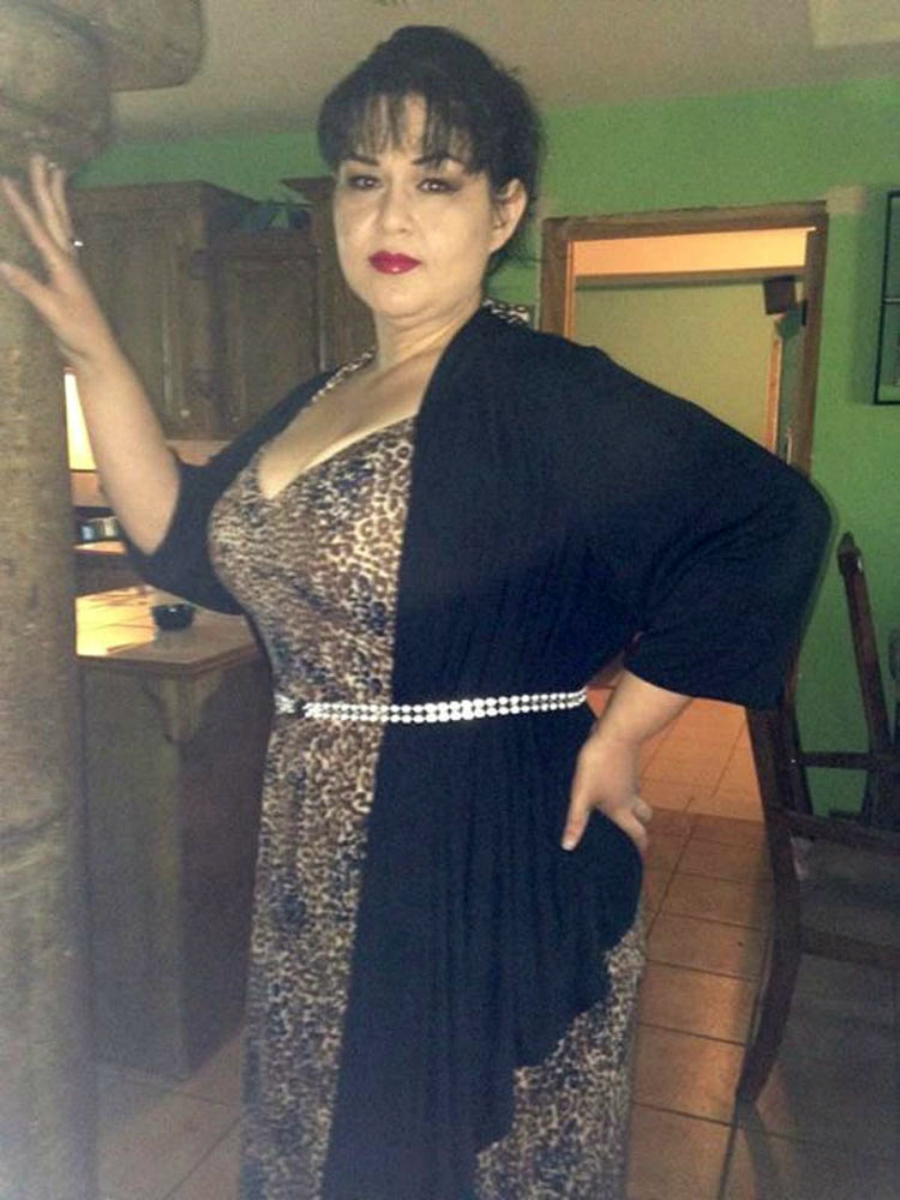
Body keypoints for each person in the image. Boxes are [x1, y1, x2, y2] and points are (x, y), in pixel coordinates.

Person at [0, 25, 830, 1200]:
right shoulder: (323, 396)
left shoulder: (536, 390)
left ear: (503, 212)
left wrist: (626, 730)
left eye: (435, 181)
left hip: (475, 841)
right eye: (363, 179)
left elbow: (768, 522)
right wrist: (91, 349)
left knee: (441, 1152)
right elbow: (186, 540)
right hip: (316, 840)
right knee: (329, 1131)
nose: (390, 215)